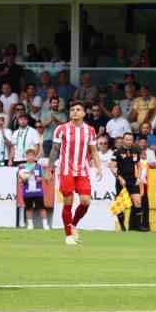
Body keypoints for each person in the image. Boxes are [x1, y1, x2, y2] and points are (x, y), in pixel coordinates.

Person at [52, 102, 102, 245]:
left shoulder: (90, 130)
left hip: (82, 170)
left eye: (78, 109)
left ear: (84, 113)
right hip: (66, 170)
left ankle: (73, 224)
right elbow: (55, 149)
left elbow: (93, 151)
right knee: (68, 202)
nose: (74, 112)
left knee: (85, 201)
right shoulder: (61, 129)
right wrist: (50, 167)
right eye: (72, 109)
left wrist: (99, 167)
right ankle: (68, 235)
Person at [17, 147, 48, 229]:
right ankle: (30, 224)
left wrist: (39, 179)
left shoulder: (39, 166)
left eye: (32, 155)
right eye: (28, 155)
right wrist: (23, 179)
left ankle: (45, 224)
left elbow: (43, 177)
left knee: (42, 208)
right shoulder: (22, 167)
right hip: (27, 192)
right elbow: (20, 180)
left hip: (38, 191)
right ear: (26, 157)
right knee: (28, 208)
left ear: (35, 157)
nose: (30, 157)